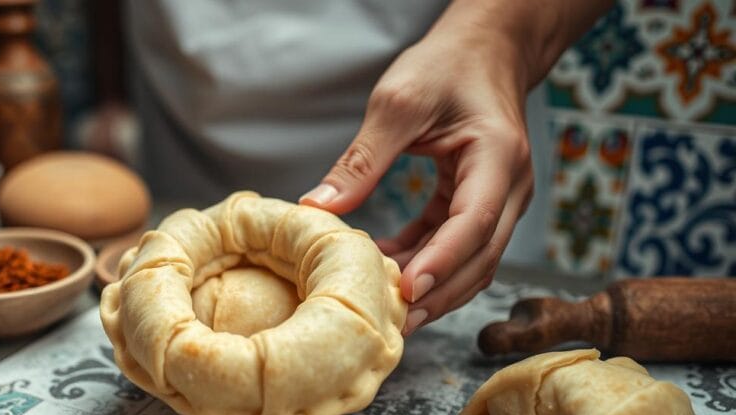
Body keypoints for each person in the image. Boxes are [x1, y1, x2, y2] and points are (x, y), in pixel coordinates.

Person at [124, 0, 613, 334]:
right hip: (187, 109)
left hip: (443, 98)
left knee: (440, 287)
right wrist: (109, 95)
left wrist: (501, 34)